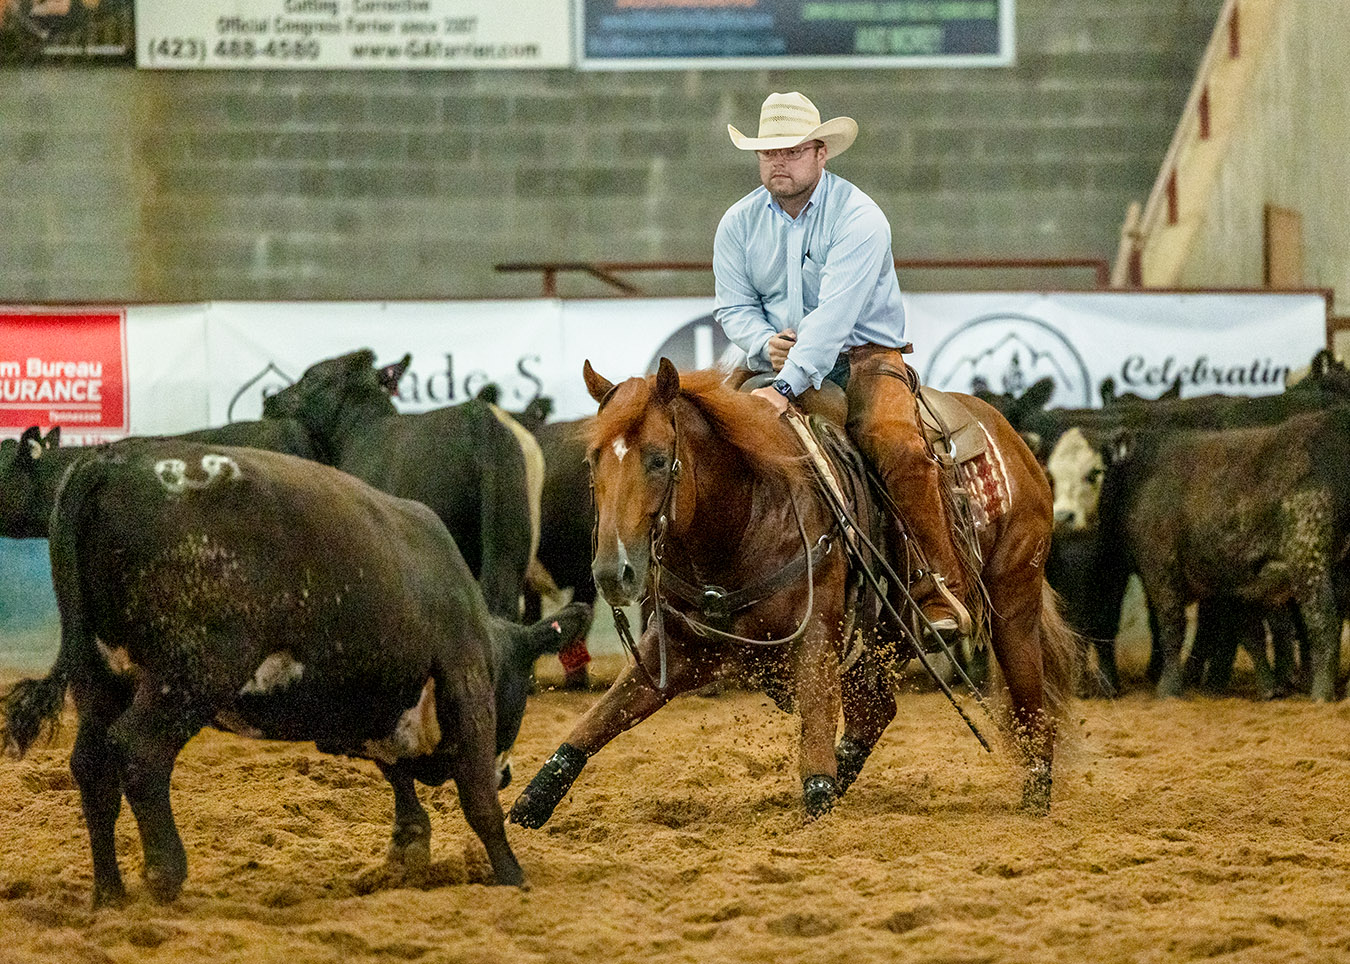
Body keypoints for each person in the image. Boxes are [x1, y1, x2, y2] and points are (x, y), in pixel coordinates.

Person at [712, 90, 971, 638]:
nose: (777, 162)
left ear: (820, 153)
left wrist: (783, 384)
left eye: (791, 151)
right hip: (780, 356)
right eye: (767, 153)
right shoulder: (736, 224)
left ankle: (935, 586)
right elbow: (733, 306)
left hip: (866, 359)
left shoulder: (859, 217)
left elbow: (834, 317)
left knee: (897, 444)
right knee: (703, 439)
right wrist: (763, 343)